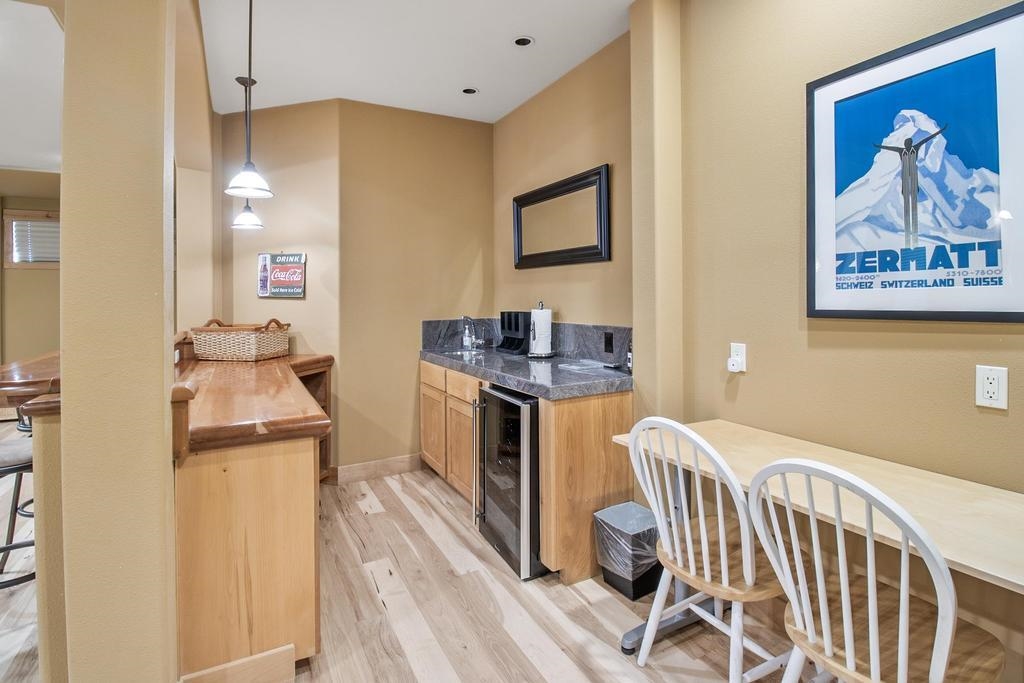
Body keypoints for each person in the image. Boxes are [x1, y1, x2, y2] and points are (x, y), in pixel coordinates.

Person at [874, 125, 947, 248]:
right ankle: (908, 236)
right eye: (907, 142)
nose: (908, 144)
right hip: (905, 179)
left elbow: (927, 139)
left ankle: (915, 235)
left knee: (914, 205)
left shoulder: (915, 148)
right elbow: (889, 148)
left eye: (909, 142)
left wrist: (940, 131)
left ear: (911, 143)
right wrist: (878, 146)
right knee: (906, 206)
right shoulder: (900, 151)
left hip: (913, 178)